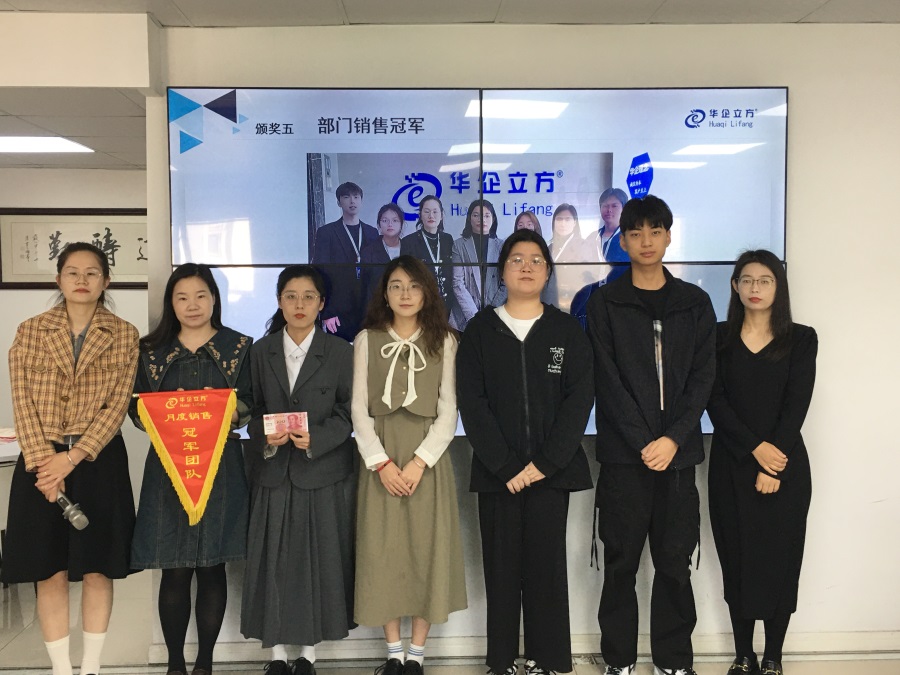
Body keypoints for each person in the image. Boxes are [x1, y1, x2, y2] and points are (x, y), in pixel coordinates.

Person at [585, 195, 716, 675]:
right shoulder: (605, 302)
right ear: (622, 240)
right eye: (636, 232)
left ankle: (674, 660)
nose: (646, 241)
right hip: (626, 457)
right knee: (620, 564)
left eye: (655, 231)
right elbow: (606, 379)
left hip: (677, 458)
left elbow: (703, 377)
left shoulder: (694, 303)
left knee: (674, 562)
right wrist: (645, 441)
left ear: (668, 236)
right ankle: (618, 660)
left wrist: (673, 438)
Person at [457, 229, 594, 675]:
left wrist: (545, 463)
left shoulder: (565, 329)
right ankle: (501, 662)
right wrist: (506, 466)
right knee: (501, 571)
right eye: (517, 259)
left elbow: (579, 399)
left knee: (546, 570)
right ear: (502, 271)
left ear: (548, 272)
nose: (527, 267)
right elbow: (472, 402)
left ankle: (547, 658)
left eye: (536, 260)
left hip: (551, 474)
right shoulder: (481, 330)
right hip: (498, 475)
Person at [3, 242, 139, 675]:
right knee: (49, 569)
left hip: (98, 460)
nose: (82, 280)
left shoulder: (124, 334)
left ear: (106, 281)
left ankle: (92, 667)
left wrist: (73, 457)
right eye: (73, 272)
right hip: (40, 462)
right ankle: (62, 669)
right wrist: (46, 461)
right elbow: (22, 400)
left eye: (92, 272)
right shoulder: (31, 330)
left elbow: (117, 406)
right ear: (58, 279)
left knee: (98, 567)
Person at [130, 263, 253, 675]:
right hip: (168, 470)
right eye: (182, 297)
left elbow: (254, 400)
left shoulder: (240, 347)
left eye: (201, 295)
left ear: (214, 298)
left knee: (212, 565)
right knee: (175, 566)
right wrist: (167, 413)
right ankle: (174, 665)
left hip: (221, 469)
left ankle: (205, 663)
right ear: (171, 303)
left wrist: (231, 413)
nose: (192, 305)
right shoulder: (150, 351)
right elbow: (134, 406)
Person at [351, 255, 466, 675]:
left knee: (426, 552)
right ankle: (393, 654)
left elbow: (449, 410)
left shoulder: (445, 340)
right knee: (382, 552)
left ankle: (416, 655)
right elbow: (358, 409)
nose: (405, 294)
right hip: (380, 459)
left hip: (427, 460)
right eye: (396, 286)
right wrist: (380, 463)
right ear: (385, 293)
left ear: (426, 293)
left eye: (414, 286)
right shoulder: (366, 339)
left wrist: (420, 462)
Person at [706, 250, 817, 675]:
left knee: (780, 563)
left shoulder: (801, 339)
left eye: (765, 280)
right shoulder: (717, 337)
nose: (755, 288)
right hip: (731, 465)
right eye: (747, 280)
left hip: (785, 467)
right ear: (735, 286)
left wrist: (772, 465)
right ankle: (743, 655)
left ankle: (773, 656)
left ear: (778, 287)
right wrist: (755, 449)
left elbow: (796, 404)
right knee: (736, 560)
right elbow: (714, 401)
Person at [242, 265, 356, 675]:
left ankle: (308, 654)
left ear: (322, 303)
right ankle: (276, 655)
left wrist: (319, 439)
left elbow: (349, 412)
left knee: (316, 563)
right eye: (291, 296)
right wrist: (263, 433)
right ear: (279, 301)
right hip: (273, 471)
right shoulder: (261, 351)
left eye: (309, 296)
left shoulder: (341, 351)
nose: (299, 304)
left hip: (321, 470)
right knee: (272, 561)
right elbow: (251, 410)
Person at [311, 181, 380, 342]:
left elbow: (376, 274)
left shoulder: (372, 233)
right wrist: (327, 311)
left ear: (361, 201)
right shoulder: (326, 232)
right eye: (346, 197)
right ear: (339, 202)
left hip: (367, 308)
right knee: (340, 353)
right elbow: (319, 274)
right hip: (338, 310)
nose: (352, 201)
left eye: (356, 197)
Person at [450, 198, 506, 331]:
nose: (482, 219)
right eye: (476, 215)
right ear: (469, 218)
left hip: (495, 314)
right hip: (465, 316)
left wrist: (492, 312)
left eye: (487, 215)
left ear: (493, 218)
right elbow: (457, 282)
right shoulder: (459, 245)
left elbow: (506, 283)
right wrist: (474, 316)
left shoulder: (502, 246)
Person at [399, 195, 455, 316]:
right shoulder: (409, 242)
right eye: (427, 211)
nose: (431, 216)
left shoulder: (448, 239)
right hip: (421, 307)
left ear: (441, 215)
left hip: (448, 307)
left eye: (435, 212)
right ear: (420, 214)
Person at [545, 203, 587, 311]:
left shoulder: (584, 246)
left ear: (574, 223)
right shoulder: (549, 248)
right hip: (550, 302)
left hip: (574, 304)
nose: (563, 224)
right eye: (559, 219)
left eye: (567, 219)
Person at [361, 203, 405, 305]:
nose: (390, 224)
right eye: (385, 220)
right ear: (379, 225)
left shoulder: (410, 249)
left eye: (395, 220)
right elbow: (364, 287)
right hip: (378, 306)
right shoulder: (368, 252)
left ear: (401, 224)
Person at [582, 188, 630, 264]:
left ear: (623, 209)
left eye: (614, 206)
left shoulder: (629, 238)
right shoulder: (592, 237)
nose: (609, 210)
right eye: (605, 206)